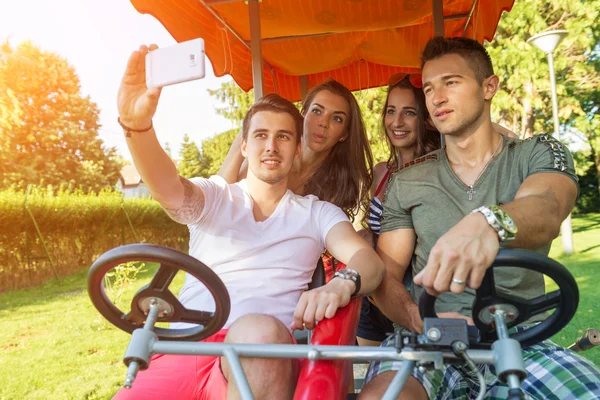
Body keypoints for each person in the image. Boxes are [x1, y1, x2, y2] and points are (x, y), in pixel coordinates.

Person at [114, 44, 385, 400]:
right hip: (182, 349)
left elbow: (369, 263)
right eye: (261, 135)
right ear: (244, 146)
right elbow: (169, 190)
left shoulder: (318, 212)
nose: (271, 146)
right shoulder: (215, 197)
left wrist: (342, 283)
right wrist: (137, 126)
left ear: (295, 144)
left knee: (259, 333)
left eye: (283, 136)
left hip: (259, 351)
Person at [359, 37, 600, 399]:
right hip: (429, 345)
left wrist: (489, 222)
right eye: (428, 88)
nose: (436, 98)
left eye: (451, 83)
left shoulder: (536, 152)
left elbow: (548, 206)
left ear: (489, 86)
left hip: (524, 339)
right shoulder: (406, 182)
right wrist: (420, 322)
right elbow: (386, 277)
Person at [357, 74, 440, 347]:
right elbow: (379, 226)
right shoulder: (380, 172)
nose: (397, 122)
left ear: (426, 118)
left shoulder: (440, 168)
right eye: (391, 111)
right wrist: (367, 235)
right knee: (375, 381)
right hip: (371, 303)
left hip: (416, 304)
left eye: (409, 113)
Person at [219, 78, 373, 222]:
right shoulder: (271, 154)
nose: (323, 123)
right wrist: (246, 132)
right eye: (317, 111)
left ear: (344, 134)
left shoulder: (337, 185)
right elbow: (220, 196)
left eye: (337, 118)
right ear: (303, 114)